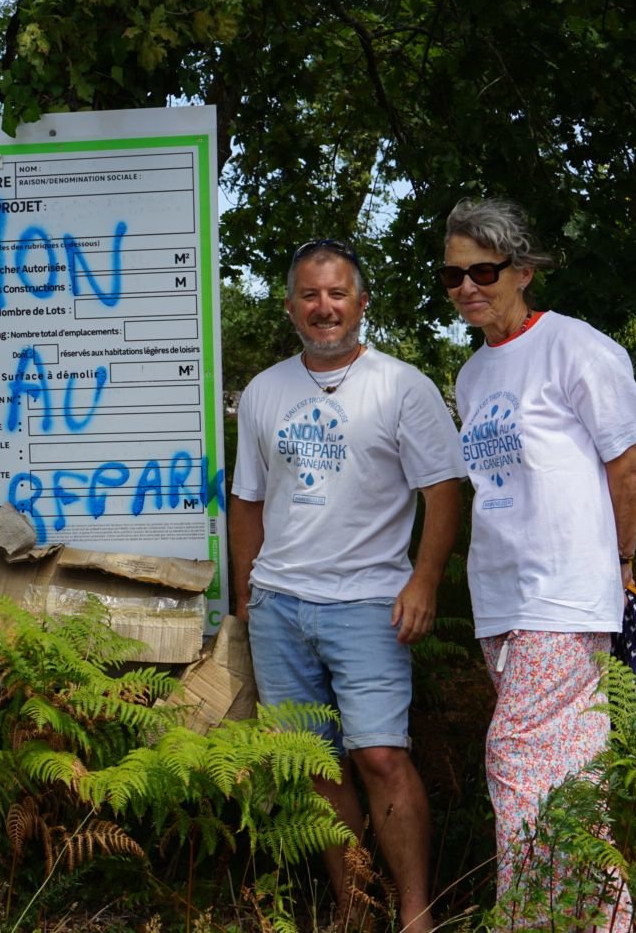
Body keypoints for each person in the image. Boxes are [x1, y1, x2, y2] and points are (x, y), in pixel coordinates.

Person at [442, 198, 636, 930]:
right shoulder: (473, 376)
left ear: (523, 270)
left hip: (565, 595)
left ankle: (529, 920)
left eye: (484, 269)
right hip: (502, 600)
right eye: (453, 276)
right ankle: (602, 922)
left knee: (512, 759)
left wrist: (621, 566)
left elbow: (627, 463)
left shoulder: (575, 347)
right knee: (569, 784)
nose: (468, 286)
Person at [230, 239, 463, 931]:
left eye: (337, 293)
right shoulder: (265, 391)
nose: (323, 307)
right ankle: (354, 908)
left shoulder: (402, 386)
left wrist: (424, 582)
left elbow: (443, 493)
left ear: (361, 302)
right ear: (289, 305)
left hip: (369, 601)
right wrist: (247, 599)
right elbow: (246, 501)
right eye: (309, 294)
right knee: (314, 766)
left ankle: (416, 914)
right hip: (279, 603)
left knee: (381, 755)